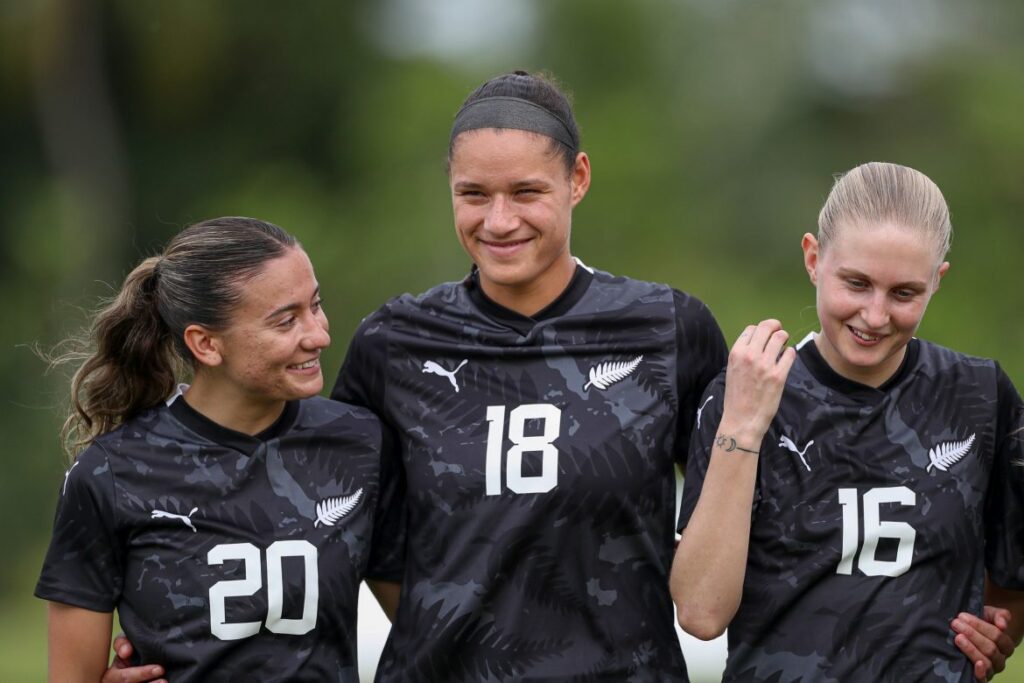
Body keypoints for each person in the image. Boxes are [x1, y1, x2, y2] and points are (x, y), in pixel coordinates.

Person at [326, 70, 730, 681]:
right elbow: (317, 519)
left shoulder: (670, 330)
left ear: (579, 179)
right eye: (473, 194)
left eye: (525, 192)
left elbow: (759, 512)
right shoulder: (392, 344)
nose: (498, 220)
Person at [671, 162, 1024, 682]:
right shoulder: (743, 394)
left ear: (936, 281)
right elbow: (701, 613)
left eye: (904, 293)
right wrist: (744, 428)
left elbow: (1011, 581)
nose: (876, 316)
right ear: (814, 258)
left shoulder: (980, 395)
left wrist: (1000, 632)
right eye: (856, 284)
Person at [36, 217, 400, 683]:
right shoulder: (110, 473)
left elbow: (425, 629)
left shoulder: (361, 443)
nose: (319, 335)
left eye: (316, 306)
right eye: (286, 320)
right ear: (206, 344)